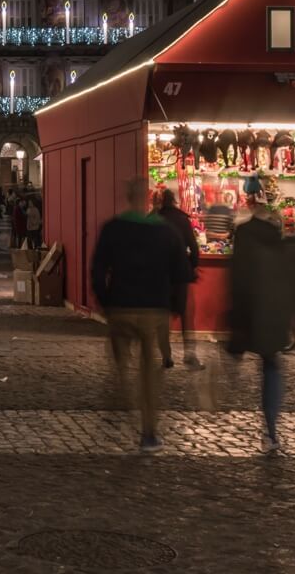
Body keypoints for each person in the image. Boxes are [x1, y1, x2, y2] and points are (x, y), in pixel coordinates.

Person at [91, 178, 192, 452]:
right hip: (152, 309)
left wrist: (105, 302)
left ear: (127, 196)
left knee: (120, 360)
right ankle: (148, 432)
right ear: (148, 199)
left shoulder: (113, 229)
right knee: (149, 371)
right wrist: (172, 304)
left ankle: (122, 396)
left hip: (121, 307)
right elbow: (183, 273)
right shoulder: (167, 232)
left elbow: (98, 270)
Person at [228, 198, 295, 452]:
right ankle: (271, 429)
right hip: (275, 314)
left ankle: (263, 423)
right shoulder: (284, 246)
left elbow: (234, 283)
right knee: (271, 365)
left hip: (248, 311)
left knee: (261, 363)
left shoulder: (243, 243)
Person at [154, 189, 202, 369]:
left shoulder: (155, 219)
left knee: (163, 314)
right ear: (174, 201)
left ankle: (166, 356)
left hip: (160, 273)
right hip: (181, 273)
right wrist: (191, 266)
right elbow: (194, 248)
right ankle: (190, 356)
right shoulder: (183, 220)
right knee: (186, 315)